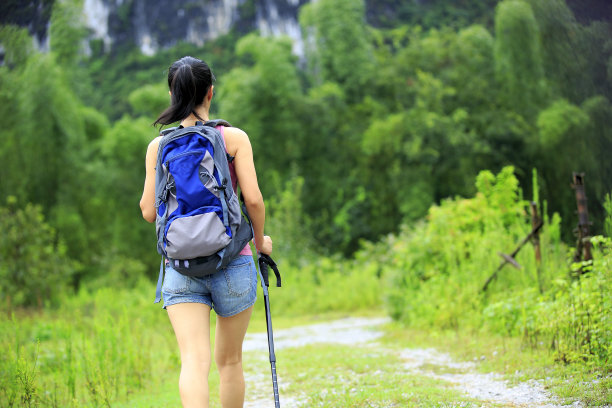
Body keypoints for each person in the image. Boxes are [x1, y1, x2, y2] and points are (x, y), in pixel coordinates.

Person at [139, 56, 273, 408]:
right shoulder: (233, 138)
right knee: (229, 362)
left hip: (180, 268)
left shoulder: (158, 147)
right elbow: (254, 201)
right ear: (210, 93)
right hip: (233, 261)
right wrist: (261, 243)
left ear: (172, 93)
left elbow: (148, 211)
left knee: (193, 364)